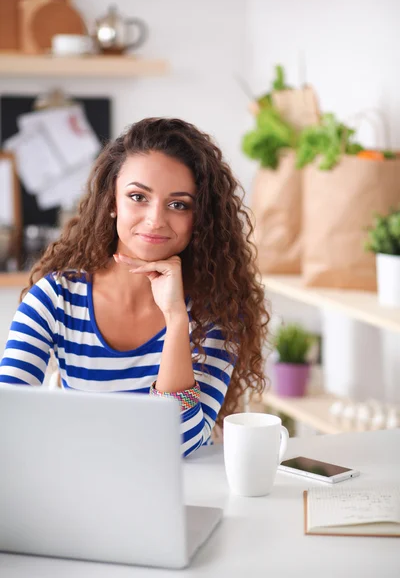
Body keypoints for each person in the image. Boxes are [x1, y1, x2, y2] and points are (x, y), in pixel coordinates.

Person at [0, 117, 269, 457]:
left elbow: (181, 444)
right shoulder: (55, 299)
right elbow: (6, 420)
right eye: (138, 196)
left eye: (178, 204)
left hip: (181, 495)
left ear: (199, 216)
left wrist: (176, 322)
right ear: (112, 202)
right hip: (82, 489)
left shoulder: (218, 310)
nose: (156, 219)